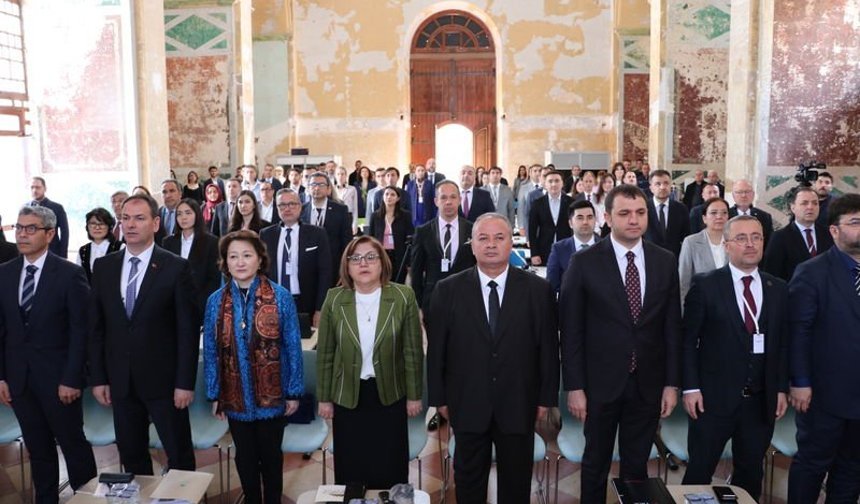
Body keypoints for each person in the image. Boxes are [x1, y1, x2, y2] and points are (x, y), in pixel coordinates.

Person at [560, 184, 681, 503]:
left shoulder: (664, 260)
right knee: (595, 462)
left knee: (637, 465)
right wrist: (574, 386)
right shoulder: (584, 262)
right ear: (607, 217)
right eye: (625, 213)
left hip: (648, 382)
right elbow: (570, 330)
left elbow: (671, 327)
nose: (634, 220)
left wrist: (671, 383)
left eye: (640, 213)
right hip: (599, 383)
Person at [428, 213, 559, 503]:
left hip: (519, 402)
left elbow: (548, 349)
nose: (491, 245)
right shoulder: (447, 290)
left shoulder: (538, 290)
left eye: (499, 238)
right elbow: (437, 350)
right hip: (466, 402)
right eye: (482, 238)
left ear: (511, 244)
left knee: (516, 483)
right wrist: (440, 399)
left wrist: (545, 399)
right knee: (469, 483)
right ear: (472, 245)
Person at [88, 193, 198, 474]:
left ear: (156, 223)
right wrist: (99, 377)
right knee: (132, 454)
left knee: (179, 454)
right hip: (121, 381)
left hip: (164, 381)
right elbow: (97, 328)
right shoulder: (104, 267)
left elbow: (187, 331)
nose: (131, 225)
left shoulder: (175, 267)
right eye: (125, 218)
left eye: (139, 218)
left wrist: (184, 383)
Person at [680, 215, 788, 500]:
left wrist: (780, 388)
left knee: (751, 473)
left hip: (759, 402)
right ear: (727, 245)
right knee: (699, 472)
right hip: (713, 401)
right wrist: (691, 388)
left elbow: (782, 345)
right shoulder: (706, 285)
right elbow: (688, 341)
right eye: (741, 238)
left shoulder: (778, 288)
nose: (750, 244)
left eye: (757, 237)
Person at [0, 205, 97, 502]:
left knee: (73, 445)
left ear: (50, 233)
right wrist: (2, 377)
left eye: (31, 228)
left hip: (59, 381)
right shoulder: (5, 273)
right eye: (19, 228)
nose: (23, 234)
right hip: (20, 379)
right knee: (37, 448)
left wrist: (72, 378)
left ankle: (88, 498)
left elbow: (82, 332)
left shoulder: (69, 273)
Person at [203, 230, 303, 504]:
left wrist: (294, 391)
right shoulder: (215, 301)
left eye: (247, 255)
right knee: (244, 456)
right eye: (233, 256)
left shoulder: (280, 296)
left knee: (271, 456)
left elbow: (293, 346)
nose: (240, 262)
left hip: (273, 396)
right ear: (225, 262)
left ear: (260, 259)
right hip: (235, 396)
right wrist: (214, 394)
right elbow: (211, 352)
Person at [316, 236, 424, 489]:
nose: (363, 263)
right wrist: (324, 398)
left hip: (390, 395)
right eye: (355, 258)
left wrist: (414, 396)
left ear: (382, 263)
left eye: (370, 257)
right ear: (347, 265)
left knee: (390, 465)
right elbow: (326, 354)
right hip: (348, 397)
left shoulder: (402, 296)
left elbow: (412, 351)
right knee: (352, 467)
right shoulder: (334, 299)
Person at [787, 193, 860, 503]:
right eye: (855, 223)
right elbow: (797, 332)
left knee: (852, 469)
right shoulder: (812, 272)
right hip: (823, 394)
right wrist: (800, 382)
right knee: (813, 465)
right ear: (834, 230)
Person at [261, 189, 332, 328]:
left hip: (306, 304)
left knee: (305, 347)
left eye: (292, 204)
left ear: (300, 206)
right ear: (277, 208)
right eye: (282, 205)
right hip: (274, 304)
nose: (287, 208)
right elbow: (261, 273)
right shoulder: (266, 234)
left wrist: (320, 308)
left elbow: (325, 273)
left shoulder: (317, 234)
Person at [162, 199, 221, 320]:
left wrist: (200, 303)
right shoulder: (168, 242)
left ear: (197, 215)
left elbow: (214, 278)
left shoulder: (211, 242)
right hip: (172, 305)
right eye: (179, 214)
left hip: (199, 304)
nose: (183, 217)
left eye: (188, 213)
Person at [763, 186, 833, 282]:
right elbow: (771, 275)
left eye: (815, 203)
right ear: (793, 207)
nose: (810, 207)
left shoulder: (829, 234)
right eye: (804, 203)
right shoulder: (780, 237)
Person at [301, 172, 353, 285]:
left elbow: (347, 241)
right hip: (307, 268)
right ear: (308, 188)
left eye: (321, 185)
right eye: (313, 184)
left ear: (329, 189)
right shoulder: (301, 210)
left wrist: (345, 269)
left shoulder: (341, 210)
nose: (317, 188)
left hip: (333, 266)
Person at [678, 197, 729, 303]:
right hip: (701, 305)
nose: (719, 216)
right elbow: (683, 281)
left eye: (724, 213)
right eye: (714, 213)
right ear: (704, 218)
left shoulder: (734, 241)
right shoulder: (691, 242)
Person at [546, 201, 600, 295]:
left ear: (595, 220)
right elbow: (551, 286)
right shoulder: (559, 249)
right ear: (570, 223)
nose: (585, 222)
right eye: (580, 218)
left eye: (590, 217)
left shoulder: (606, 247)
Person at [368, 186, 414, 283]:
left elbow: (411, 239)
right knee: (382, 283)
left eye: (392, 194)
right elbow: (370, 238)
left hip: (399, 256)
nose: (389, 197)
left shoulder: (405, 216)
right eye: (386, 194)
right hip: (381, 256)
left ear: (398, 198)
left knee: (398, 284)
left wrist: (409, 262)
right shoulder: (375, 216)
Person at [528, 170, 573, 265]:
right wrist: (534, 253)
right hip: (544, 250)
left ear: (562, 183)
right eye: (550, 181)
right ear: (545, 184)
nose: (554, 184)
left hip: (567, 248)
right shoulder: (537, 203)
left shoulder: (571, 202)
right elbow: (532, 231)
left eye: (557, 181)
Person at [645, 169, 691, 257]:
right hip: (648, 258)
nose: (662, 187)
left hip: (674, 259)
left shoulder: (681, 209)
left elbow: (686, 237)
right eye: (658, 184)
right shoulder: (643, 208)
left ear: (671, 186)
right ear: (651, 188)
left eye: (666, 183)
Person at [77, 207, 123, 284]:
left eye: (102, 224)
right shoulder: (83, 250)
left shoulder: (120, 247)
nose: (97, 227)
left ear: (109, 227)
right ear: (87, 227)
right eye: (93, 223)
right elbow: (79, 278)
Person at [28, 176, 70, 258]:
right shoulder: (25, 208)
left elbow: (65, 232)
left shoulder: (57, 207)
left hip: (52, 251)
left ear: (45, 188)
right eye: (32, 187)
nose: (34, 190)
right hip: (31, 252)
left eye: (38, 187)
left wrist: (63, 255)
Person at [728, 179, 774, 245]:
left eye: (747, 192)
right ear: (733, 195)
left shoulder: (765, 217)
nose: (744, 195)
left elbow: (769, 243)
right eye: (739, 192)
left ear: (753, 194)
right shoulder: (726, 216)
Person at [516, 164, 543, 235]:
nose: (538, 173)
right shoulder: (524, 188)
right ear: (530, 173)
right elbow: (521, 208)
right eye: (535, 171)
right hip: (530, 222)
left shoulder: (547, 187)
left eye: (540, 171)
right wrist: (521, 226)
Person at [333, 165, 359, 234]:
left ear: (346, 175)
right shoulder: (332, 189)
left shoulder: (352, 189)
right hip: (335, 217)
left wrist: (355, 224)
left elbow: (355, 208)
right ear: (335, 176)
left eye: (342, 174)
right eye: (338, 174)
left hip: (348, 216)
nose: (340, 176)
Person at [158, 179, 182, 245]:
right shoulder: (156, 214)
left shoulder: (188, 214)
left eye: (172, 191)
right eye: (164, 192)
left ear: (180, 194)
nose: (168, 195)